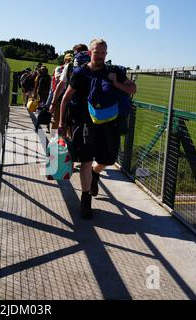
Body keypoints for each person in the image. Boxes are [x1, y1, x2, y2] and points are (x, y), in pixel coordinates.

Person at [58, 39, 137, 219]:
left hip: (109, 125)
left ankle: (96, 173)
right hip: (84, 123)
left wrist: (116, 83)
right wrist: (61, 122)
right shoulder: (80, 73)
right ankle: (85, 199)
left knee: (107, 160)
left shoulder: (114, 71)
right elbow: (66, 98)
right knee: (85, 160)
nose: (100, 55)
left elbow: (133, 89)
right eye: (97, 52)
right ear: (90, 52)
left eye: (103, 52)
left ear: (106, 53)